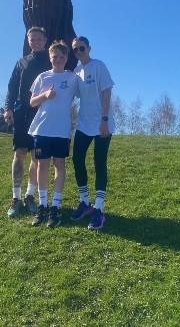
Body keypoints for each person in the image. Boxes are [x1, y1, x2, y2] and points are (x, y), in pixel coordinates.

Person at [27, 41, 79, 227]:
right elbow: (32, 102)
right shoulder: (43, 77)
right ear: (50, 58)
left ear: (67, 58)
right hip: (42, 129)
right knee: (42, 167)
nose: (58, 59)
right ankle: (43, 206)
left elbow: (87, 90)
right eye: (54, 56)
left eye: (62, 56)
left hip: (62, 131)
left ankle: (55, 208)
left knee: (59, 166)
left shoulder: (72, 78)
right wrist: (45, 95)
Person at [5, 27, 51, 218]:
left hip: (42, 113)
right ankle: (15, 198)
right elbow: (11, 88)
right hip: (22, 112)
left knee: (36, 157)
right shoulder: (21, 62)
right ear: (28, 41)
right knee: (20, 154)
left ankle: (30, 196)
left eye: (39, 39)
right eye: (32, 40)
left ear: (45, 40)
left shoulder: (51, 62)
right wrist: (8, 108)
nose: (36, 42)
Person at [69, 36, 114, 230]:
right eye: (75, 50)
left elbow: (107, 92)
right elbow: (71, 94)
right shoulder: (76, 72)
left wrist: (104, 120)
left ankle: (99, 209)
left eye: (82, 48)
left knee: (99, 162)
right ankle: (84, 202)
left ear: (89, 48)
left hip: (102, 124)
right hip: (83, 125)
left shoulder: (99, 66)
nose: (79, 52)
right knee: (77, 159)